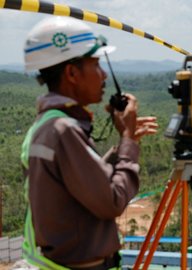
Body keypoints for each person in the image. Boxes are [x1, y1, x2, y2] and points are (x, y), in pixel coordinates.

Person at [21, 16, 158, 269]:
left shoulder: (50, 125)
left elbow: (81, 182)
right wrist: (128, 142)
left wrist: (122, 145)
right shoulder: (62, 130)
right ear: (72, 73)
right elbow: (112, 201)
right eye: (96, 65)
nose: (104, 74)